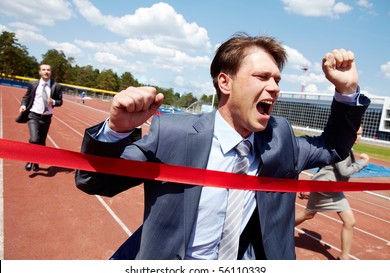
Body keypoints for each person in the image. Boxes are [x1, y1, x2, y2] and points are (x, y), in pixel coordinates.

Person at [75, 33, 370, 260]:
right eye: (262, 77)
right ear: (225, 83)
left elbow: (333, 146)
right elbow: (94, 180)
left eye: (277, 79)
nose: (276, 87)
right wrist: (116, 130)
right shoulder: (173, 135)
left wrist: (345, 91)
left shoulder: (280, 139)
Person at [295, 126, 369, 260]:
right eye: (357, 134)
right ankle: (282, 229)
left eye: (361, 134)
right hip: (326, 188)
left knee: (311, 214)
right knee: (310, 214)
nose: (360, 137)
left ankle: (344, 257)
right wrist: (363, 162)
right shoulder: (343, 149)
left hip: (330, 187)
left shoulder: (346, 147)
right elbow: (344, 171)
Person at [18, 64, 63, 172]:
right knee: (34, 139)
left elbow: (60, 102)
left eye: (48, 70)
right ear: (39, 72)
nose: (46, 71)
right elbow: (26, 97)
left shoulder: (56, 86)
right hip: (33, 115)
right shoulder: (33, 84)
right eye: (44, 70)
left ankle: (36, 161)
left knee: (41, 142)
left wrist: (54, 102)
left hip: (46, 117)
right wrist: (23, 105)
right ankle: (29, 160)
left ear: (50, 72)